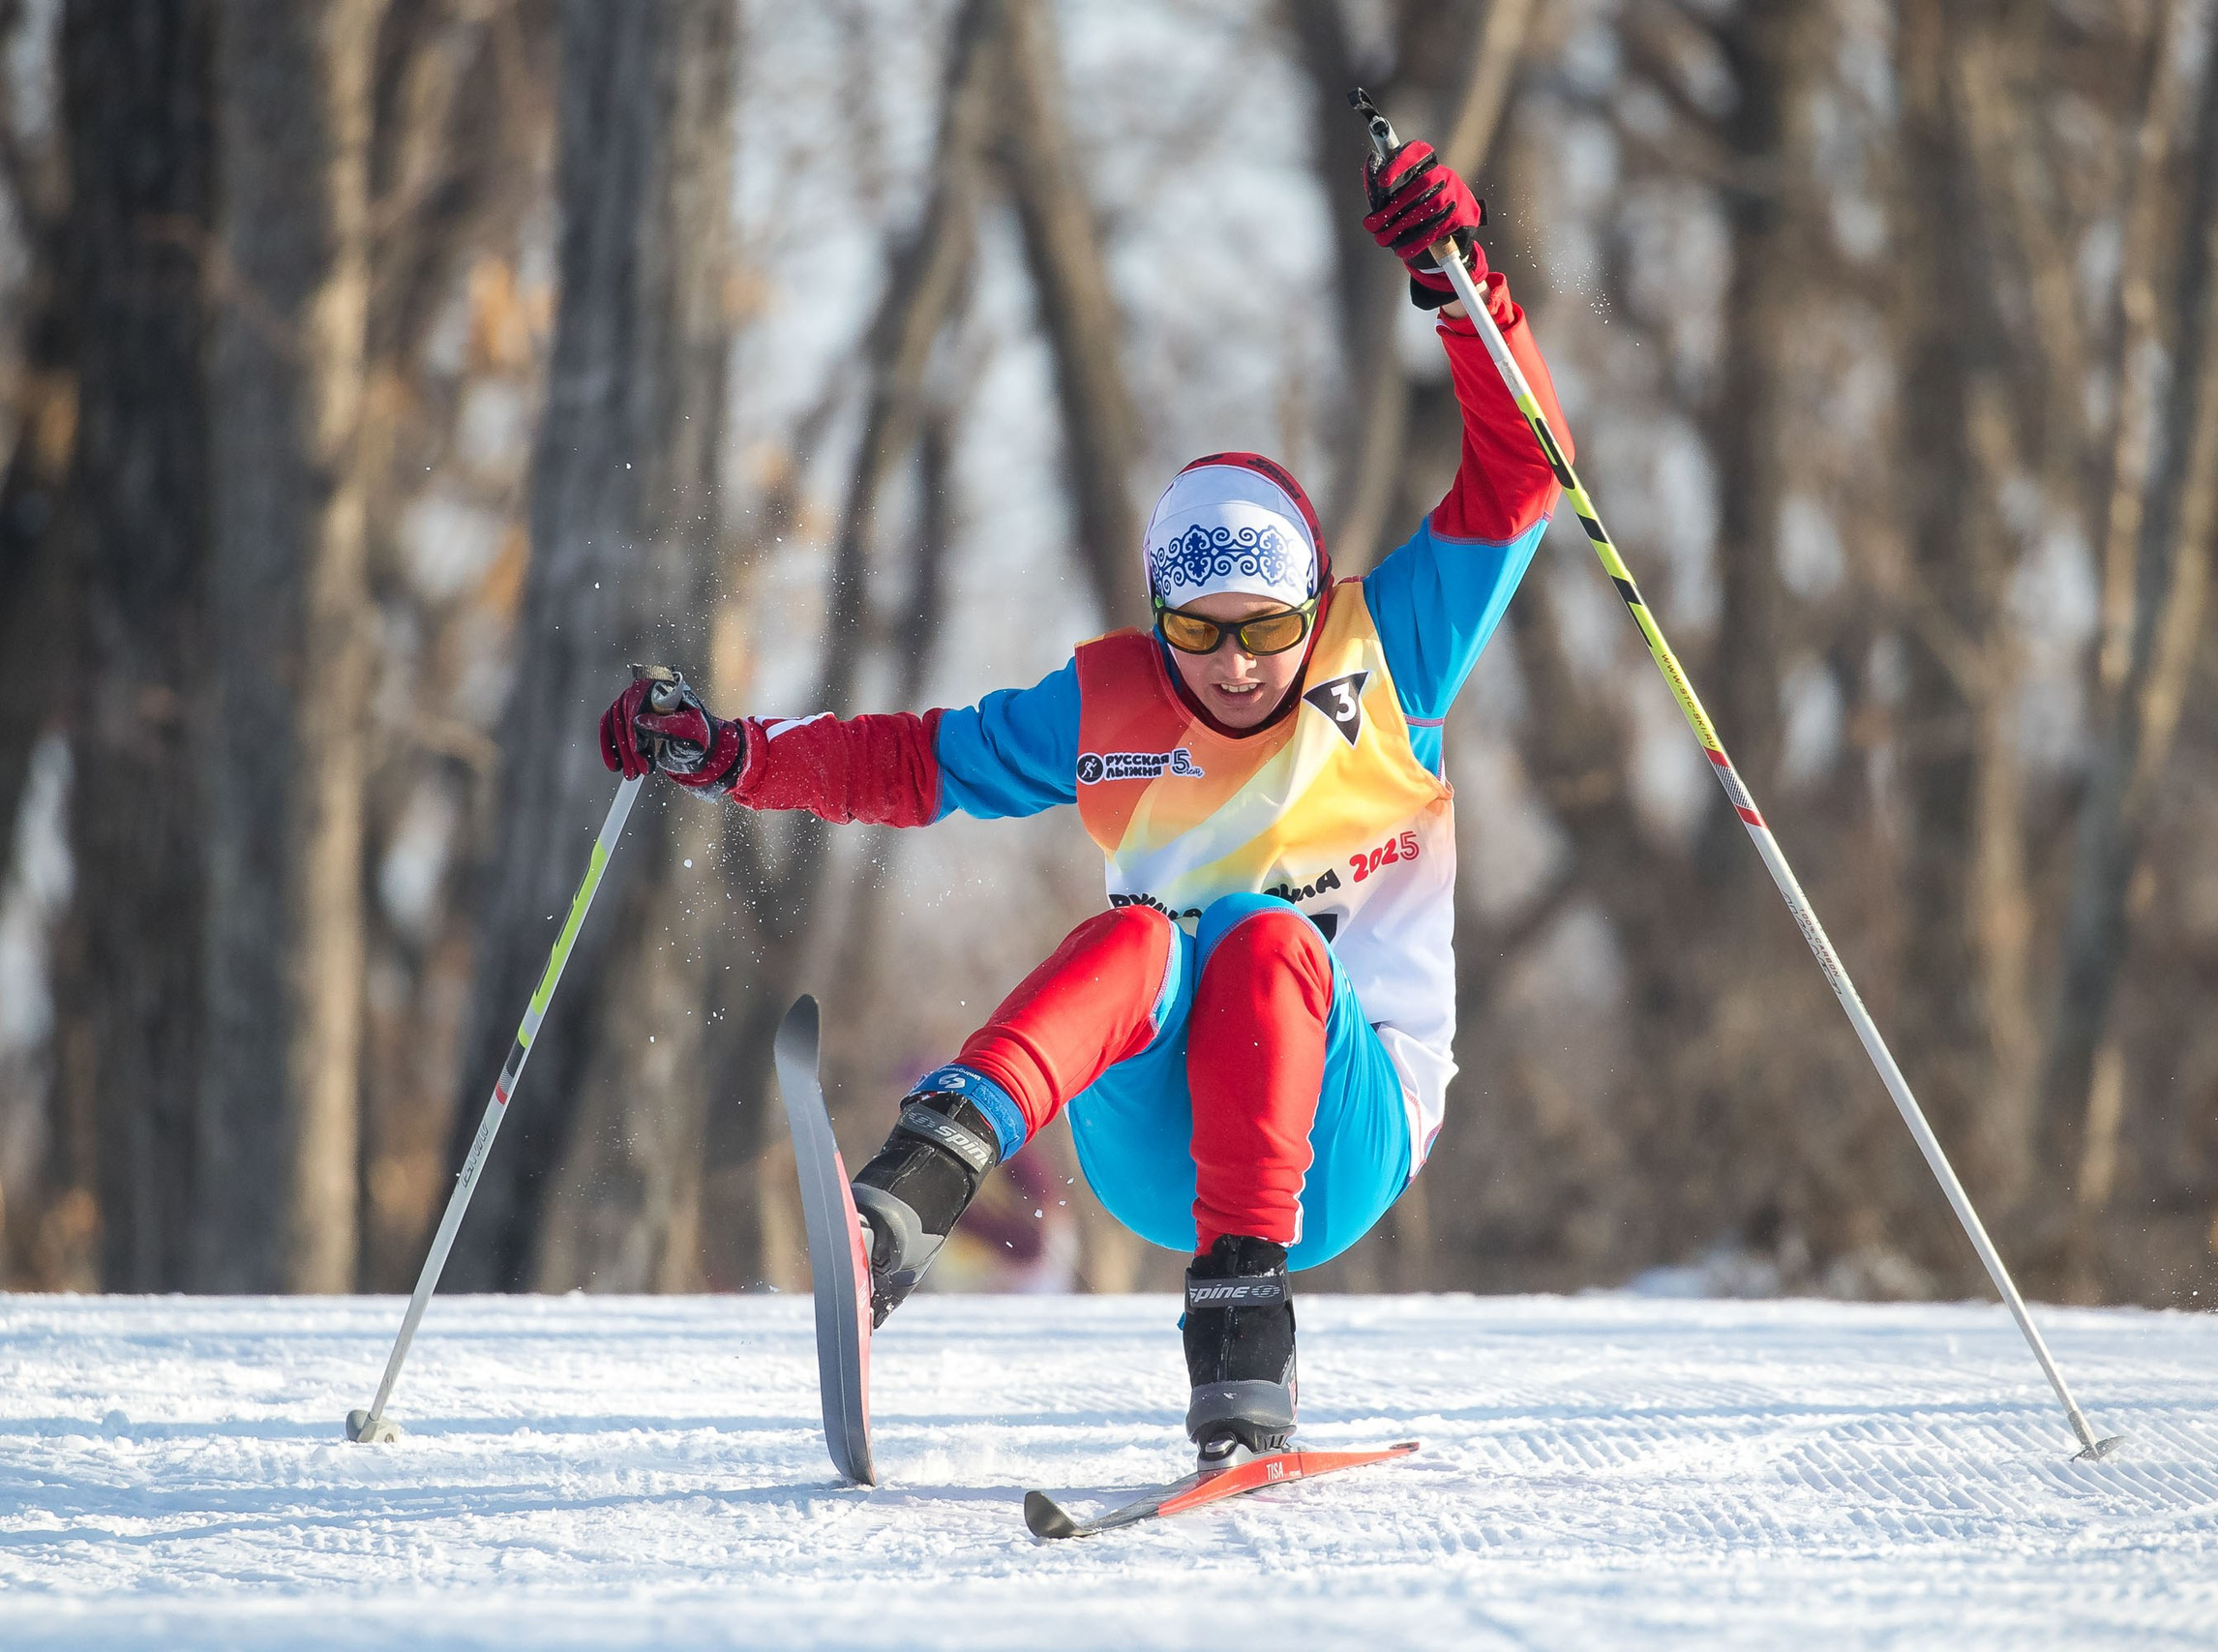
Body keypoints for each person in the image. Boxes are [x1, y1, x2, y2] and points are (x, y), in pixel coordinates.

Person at [600, 140, 1571, 1468]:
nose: (1235, 666)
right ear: (1158, 618)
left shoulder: (1393, 649)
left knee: (1260, 938)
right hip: (1151, 1146)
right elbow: (912, 762)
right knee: (1144, 940)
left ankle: (1242, 1332)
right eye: (1200, 632)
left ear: (1315, 604)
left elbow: (1522, 474)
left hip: (1346, 1131)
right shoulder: (1109, 705)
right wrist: (727, 756)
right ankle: (919, 1187)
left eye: (1269, 631)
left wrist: (1465, 294)